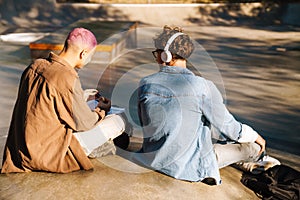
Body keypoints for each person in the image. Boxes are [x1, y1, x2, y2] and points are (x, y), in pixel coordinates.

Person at [136, 25, 279, 185]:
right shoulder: (202, 86)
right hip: (188, 166)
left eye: (157, 53)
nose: (156, 58)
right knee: (252, 147)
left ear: (166, 55)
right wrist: (255, 136)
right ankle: (256, 159)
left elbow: (145, 123)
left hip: (152, 158)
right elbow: (229, 127)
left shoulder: (145, 83)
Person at [1, 27, 127, 173]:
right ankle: (94, 148)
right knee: (117, 121)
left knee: (89, 104)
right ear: (83, 53)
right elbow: (85, 124)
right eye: (90, 55)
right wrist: (101, 111)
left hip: (21, 149)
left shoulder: (36, 65)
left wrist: (83, 96)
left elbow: (45, 99)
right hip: (47, 155)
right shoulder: (67, 76)